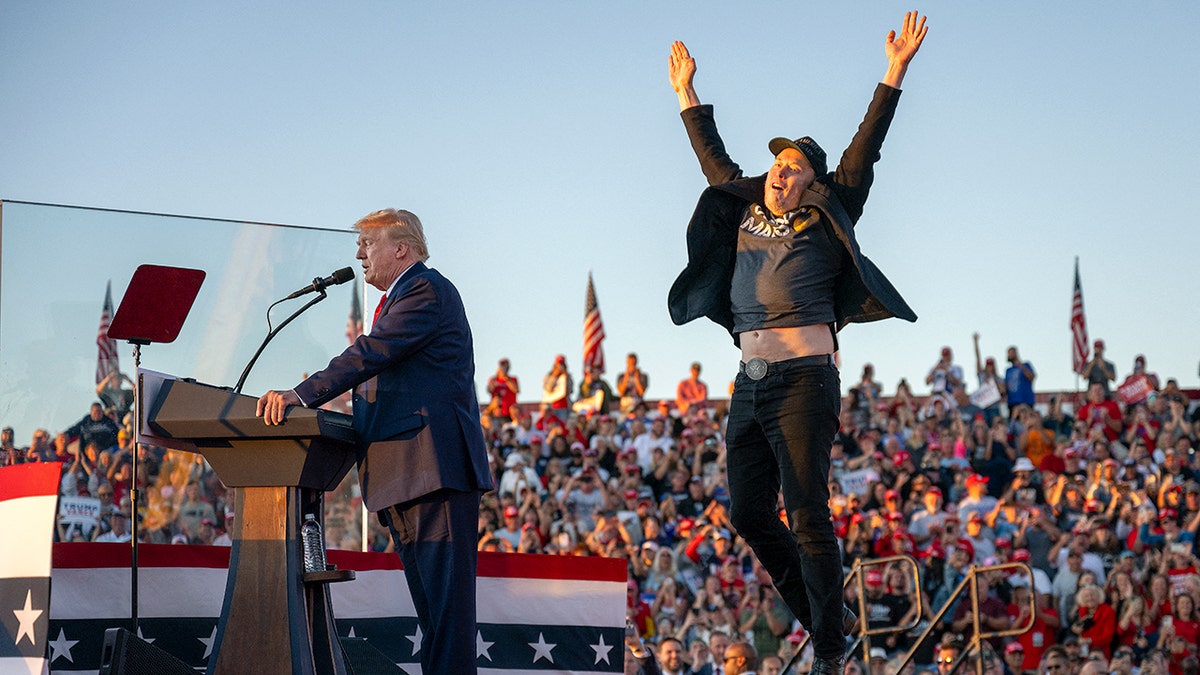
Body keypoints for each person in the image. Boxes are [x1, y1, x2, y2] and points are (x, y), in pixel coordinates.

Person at [666, 12, 927, 675]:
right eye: (779, 163)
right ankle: (825, 619)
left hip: (806, 377)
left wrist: (893, 71)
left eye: (796, 167)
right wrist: (686, 95)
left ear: (812, 179)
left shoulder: (828, 208)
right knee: (749, 510)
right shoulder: (747, 204)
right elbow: (712, 159)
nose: (782, 172)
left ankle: (831, 653)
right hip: (750, 382)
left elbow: (865, 147)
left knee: (807, 508)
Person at [257, 208, 493, 674]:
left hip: (433, 473)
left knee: (447, 622)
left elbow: (371, 353)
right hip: (406, 477)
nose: (360, 254)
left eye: (368, 243)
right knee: (435, 620)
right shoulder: (404, 297)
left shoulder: (425, 289)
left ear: (400, 248)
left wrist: (302, 395)